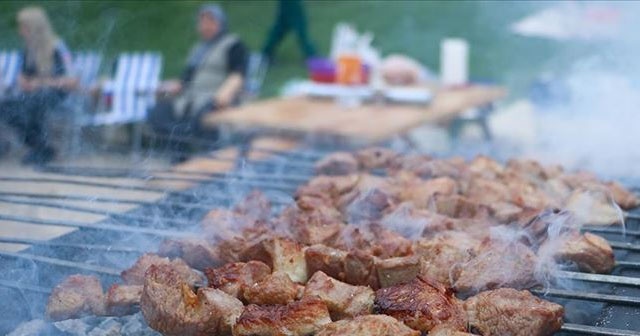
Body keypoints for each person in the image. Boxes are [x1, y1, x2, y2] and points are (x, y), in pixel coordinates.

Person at [148, 3, 248, 162]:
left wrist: (224, 95)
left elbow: (238, 74)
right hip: (189, 100)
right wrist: (165, 87)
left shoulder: (233, 44)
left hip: (215, 99)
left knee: (204, 116)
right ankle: (179, 157)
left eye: (210, 21)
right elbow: (185, 80)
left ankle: (210, 161)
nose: (205, 26)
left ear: (221, 22)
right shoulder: (198, 49)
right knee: (158, 112)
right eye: (202, 22)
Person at [0, 6, 77, 165]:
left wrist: (40, 83)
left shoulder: (57, 47)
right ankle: (39, 146)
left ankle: (42, 148)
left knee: (34, 103)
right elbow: (23, 78)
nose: (20, 32)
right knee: (6, 107)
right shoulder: (29, 50)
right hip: (32, 97)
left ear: (34, 28)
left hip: (56, 95)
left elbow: (72, 81)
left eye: (23, 27)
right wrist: (24, 82)